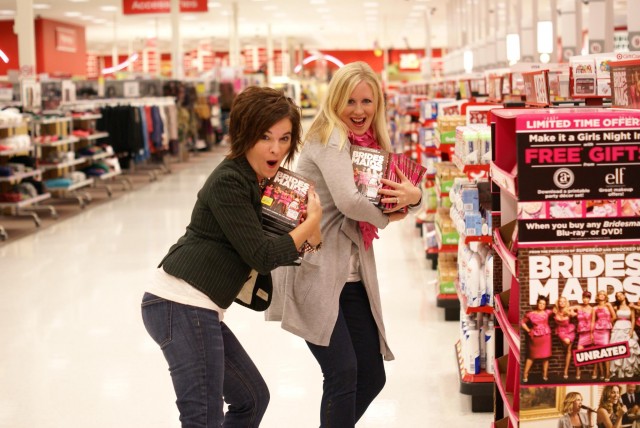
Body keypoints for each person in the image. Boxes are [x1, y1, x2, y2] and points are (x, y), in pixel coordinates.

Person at [141, 86, 323, 428]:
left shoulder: (259, 180)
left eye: (285, 139)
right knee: (203, 418)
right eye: (265, 137)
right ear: (243, 134)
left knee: (251, 399)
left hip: (197, 306)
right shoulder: (230, 180)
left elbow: (291, 244)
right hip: (180, 303)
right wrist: (311, 221)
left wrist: (310, 228)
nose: (276, 148)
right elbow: (263, 255)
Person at [267, 61, 422, 426]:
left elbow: (403, 187)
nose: (358, 110)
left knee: (371, 373)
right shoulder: (328, 139)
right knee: (342, 374)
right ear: (335, 102)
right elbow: (351, 200)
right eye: (349, 101)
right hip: (315, 270)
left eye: (367, 101)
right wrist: (391, 216)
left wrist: (414, 198)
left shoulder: (368, 145)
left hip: (350, 274)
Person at [522, 295, 553, 383]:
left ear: (545, 305)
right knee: (531, 357)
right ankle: (525, 374)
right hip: (535, 338)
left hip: (546, 337)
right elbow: (522, 323)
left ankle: (545, 374)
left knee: (546, 357)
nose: (541, 305)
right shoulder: (531, 314)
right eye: (540, 303)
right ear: (537, 303)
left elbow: (557, 310)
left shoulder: (547, 312)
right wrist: (528, 330)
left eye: (543, 304)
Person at [610, 291, 640, 379]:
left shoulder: (631, 306)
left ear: (624, 296)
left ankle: (628, 370)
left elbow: (633, 319)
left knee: (629, 348)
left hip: (628, 327)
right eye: (617, 296)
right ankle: (616, 371)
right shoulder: (616, 307)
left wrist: (631, 331)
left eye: (621, 295)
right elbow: (613, 318)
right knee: (616, 348)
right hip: (618, 328)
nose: (619, 297)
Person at [593, 290, 616, 381]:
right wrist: (592, 333)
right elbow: (594, 320)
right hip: (597, 330)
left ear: (605, 296)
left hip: (605, 330)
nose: (601, 296)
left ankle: (607, 373)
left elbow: (614, 316)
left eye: (603, 294)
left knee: (606, 352)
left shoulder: (608, 305)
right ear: (597, 296)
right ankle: (601, 372)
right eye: (600, 294)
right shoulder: (595, 308)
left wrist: (607, 323)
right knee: (598, 352)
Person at [571, 291, 595, 380]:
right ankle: (578, 370)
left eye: (587, 298)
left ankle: (594, 371)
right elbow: (567, 308)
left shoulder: (592, 309)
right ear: (582, 298)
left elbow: (593, 321)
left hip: (589, 332)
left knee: (594, 353)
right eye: (584, 297)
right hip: (581, 334)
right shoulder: (578, 307)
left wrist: (592, 334)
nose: (585, 299)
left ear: (589, 299)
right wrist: (574, 313)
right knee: (578, 352)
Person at [553, 296, 577, 380]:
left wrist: (572, 311)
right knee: (566, 345)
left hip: (569, 330)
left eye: (564, 301)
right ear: (558, 303)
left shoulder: (569, 311)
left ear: (566, 303)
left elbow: (577, 313)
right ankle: (566, 369)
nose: (562, 303)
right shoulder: (555, 311)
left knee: (568, 350)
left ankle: (565, 370)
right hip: (560, 331)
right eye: (560, 301)